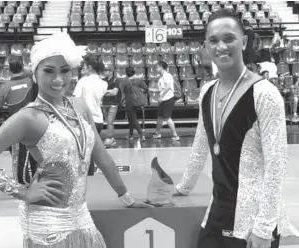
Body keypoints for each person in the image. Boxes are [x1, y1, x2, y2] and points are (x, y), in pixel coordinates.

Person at [0, 33, 152, 248]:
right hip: (47, 221)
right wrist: (22, 192)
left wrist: (127, 198)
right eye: (49, 71)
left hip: (81, 215)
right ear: (34, 74)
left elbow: (101, 156)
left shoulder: (79, 106)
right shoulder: (28, 117)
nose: (58, 80)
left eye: (65, 71)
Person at [174, 9, 287, 248]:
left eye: (229, 38)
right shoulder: (207, 92)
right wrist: (183, 187)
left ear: (244, 41)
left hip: (252, 221)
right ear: (205, 45)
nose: (221, 47)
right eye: (213, 40)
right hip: (217, 213)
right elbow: (200, 146)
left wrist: (264, 228)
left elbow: (276, 166)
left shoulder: (265, 94)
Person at [0, 56, 38, 184]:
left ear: (8, 70)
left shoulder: (5, 87)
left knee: (19, 156)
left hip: (16, 126)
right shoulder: (31, 81)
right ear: (22, 66)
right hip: (35, 123)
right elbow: (33, 71)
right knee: (36, 154)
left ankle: (23, 183)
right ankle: (37, 180)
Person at [73, 56, 108, 175]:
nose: (83, 68)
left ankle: (84, 176)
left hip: (84, 118)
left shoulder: (83, 81)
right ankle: (91, 176)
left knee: (83, 150)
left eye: (85, 66)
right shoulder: (104, 83)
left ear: (90, 67)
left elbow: (76, 99)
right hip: (98, 118)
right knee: (93, 150)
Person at [151, 61, 180, 141]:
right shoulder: (161, 78)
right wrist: (149, 89)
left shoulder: (167, 76)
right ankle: (157, 133)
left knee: (167, 118)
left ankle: (175, 135)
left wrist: (161, 97)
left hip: (168, 99)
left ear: (161, 67)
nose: (156, 68)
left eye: (157, 67)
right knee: (160, 117)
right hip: (163, 99)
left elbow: (167, 87)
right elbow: (160, 89)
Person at [120, 67, 147, 140]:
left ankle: (141, 135)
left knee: (133, 118)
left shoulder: (124, 81)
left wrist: (121, 102)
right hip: (137, 101)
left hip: (129, 101)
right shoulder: (139, 80)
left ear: (126, 73)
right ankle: (130, 135)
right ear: (134, 72)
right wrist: (139, 94)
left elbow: (122, 93)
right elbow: (146, 88)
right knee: (130, 118)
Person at [100, 66, 120, 147]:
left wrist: (106, 92)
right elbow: (100, 92)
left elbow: (115, 92)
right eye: (104, 70)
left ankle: (110, 138)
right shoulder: (103, 80)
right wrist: (109, 91)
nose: (104, 72)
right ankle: (112, 139)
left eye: (106, 70)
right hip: (104, 103)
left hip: (113, 104)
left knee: (110, 122)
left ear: (111, 71)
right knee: (107, 122)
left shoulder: (116, 80)